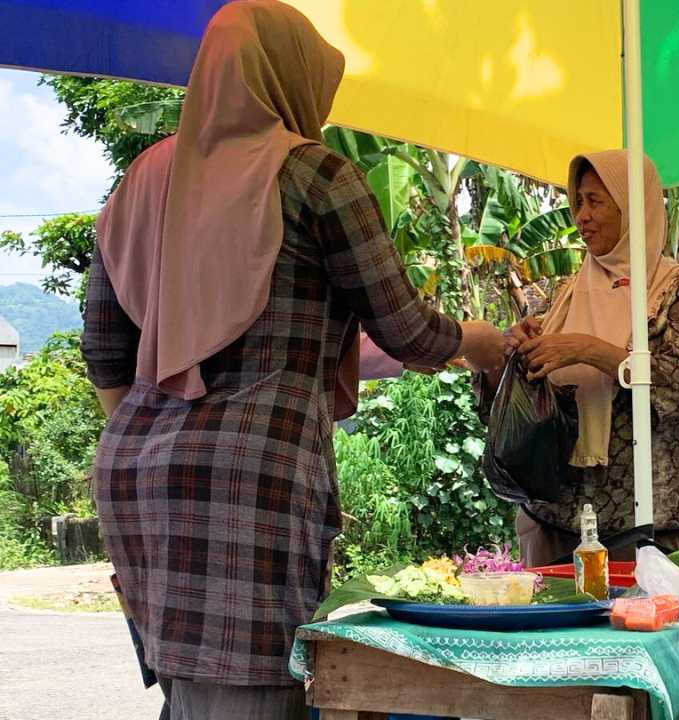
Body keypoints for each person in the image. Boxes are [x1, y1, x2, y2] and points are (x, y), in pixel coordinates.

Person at [80, 2, 505, 717]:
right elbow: (408, 331)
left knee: (189, 690)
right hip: (255, 474)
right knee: (251, 695)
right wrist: (477, 341)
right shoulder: (315, 175)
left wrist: (171, 443)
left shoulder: (144, 179)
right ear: (288, 79)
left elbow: (104, 353)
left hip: (133, 469)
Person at [478, 150, 679, 567]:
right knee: (548, 631)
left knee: (640, 627)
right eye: (579, 202)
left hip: (642, 521)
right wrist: (510, 354)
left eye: (596, 201)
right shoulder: (568, 291)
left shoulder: (676, 286)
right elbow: (521, 400)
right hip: (553, 518)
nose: (581, 216)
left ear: (632, 208)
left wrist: (586, 349)